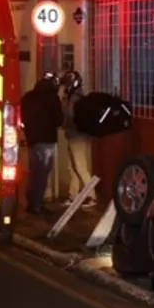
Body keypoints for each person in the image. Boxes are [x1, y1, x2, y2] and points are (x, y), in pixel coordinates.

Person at [20, 73, 63, 216]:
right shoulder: (52, 98)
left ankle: (31, 201)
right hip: (47, 140)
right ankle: (36, 205)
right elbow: (59, 120)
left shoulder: (27, 97)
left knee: (34, 172)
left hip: (32, 139)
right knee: (42, 174)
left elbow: (21, 117)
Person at [60, 71, 98, 208]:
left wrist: (65, 100)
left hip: (77, 136)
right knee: (72, 167)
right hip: (72, 135)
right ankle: (73, 195)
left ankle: (91, 196)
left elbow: (69, 114)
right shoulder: (74, 96)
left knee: (81, 167)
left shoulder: (76, 98)